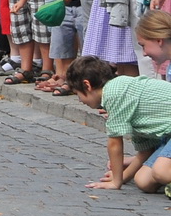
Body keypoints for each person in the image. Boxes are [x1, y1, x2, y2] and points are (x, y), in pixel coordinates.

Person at [69, 55, 171, 192]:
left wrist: (116, 182)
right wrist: (123, 177)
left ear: (87, 85)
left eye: (77, 94)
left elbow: (114, 142)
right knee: (143, 182)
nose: (80, 100)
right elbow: (146, 151)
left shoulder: (114, 93)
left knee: (161, 172)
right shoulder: (121, 97)